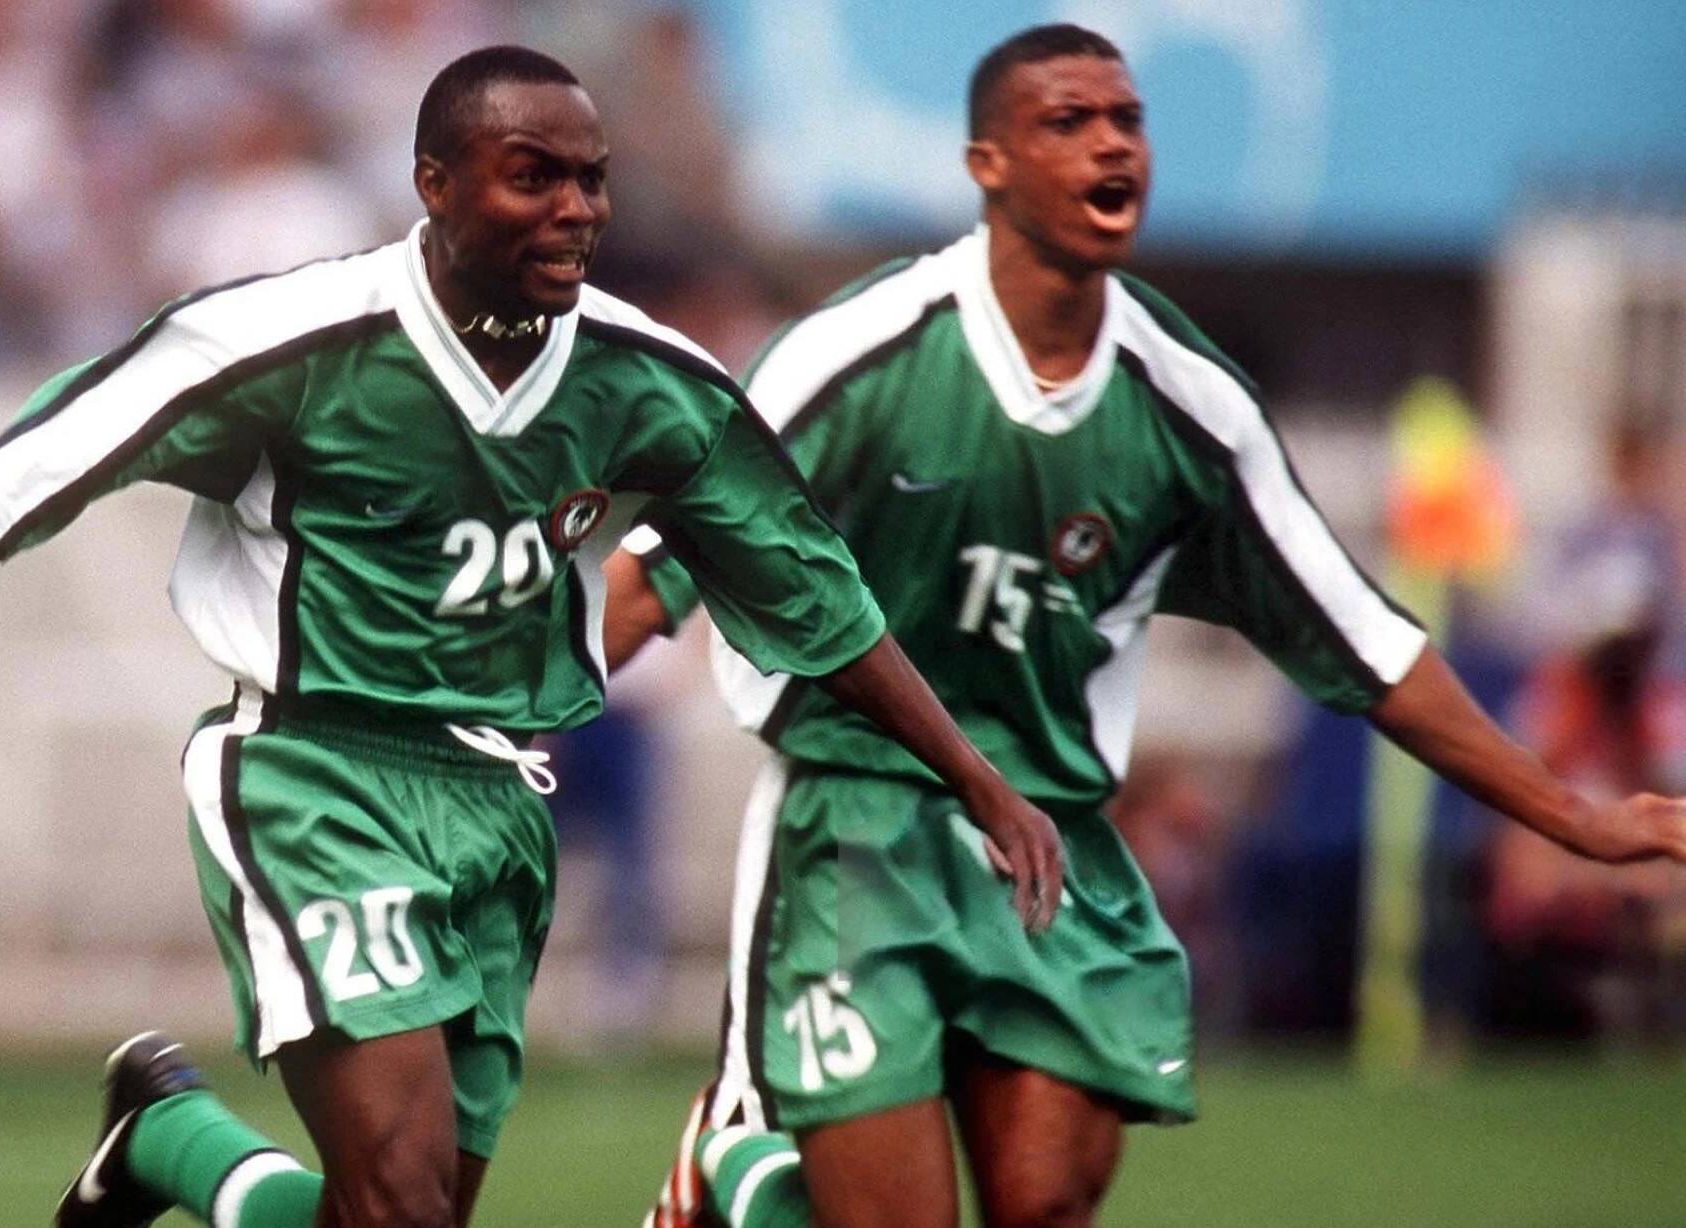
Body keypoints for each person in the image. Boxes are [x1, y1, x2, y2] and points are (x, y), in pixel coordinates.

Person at [0, 46, 1065, 1228]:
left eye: (591, 180)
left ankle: (173, 1141)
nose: (575, 209)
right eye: (532, 176)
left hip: (502, 801)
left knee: (392, 1213)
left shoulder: (650, 385)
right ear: (433, 182)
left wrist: (977, 778)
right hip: (313, 776)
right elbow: (33, 474)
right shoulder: (285, 344)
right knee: (402, 1202)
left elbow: (817, 598)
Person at [615, 25, 1686, 1228]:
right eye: (1067, 121)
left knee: (1044, 1202)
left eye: (1125, 120)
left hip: (1050, 844)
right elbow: (652, 576)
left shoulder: (1188, 408)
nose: (1110, 144)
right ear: (986, 164)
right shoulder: (858, 356)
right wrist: (496, 718)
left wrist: (1574, 815)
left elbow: (1370, 649)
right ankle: (736, 1156)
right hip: (857, 828)